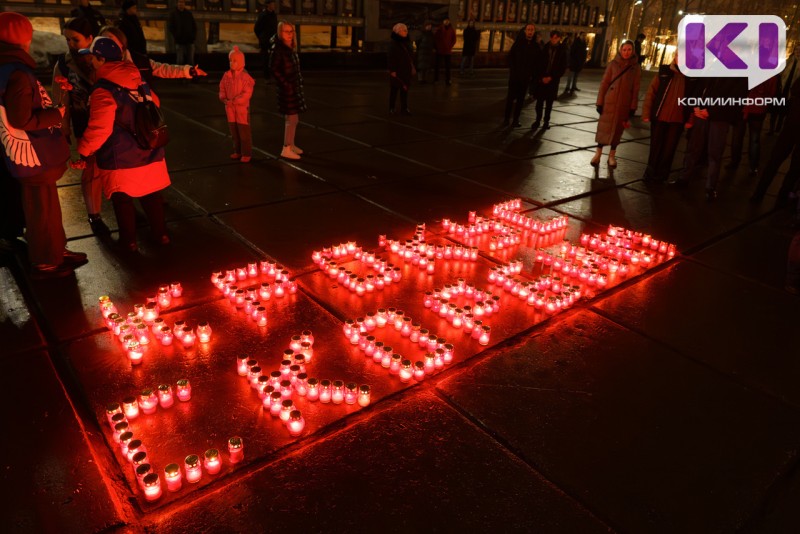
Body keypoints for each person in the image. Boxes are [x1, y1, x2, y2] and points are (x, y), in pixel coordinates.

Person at [0, 12, 86, 278]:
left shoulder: (9, 68)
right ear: (23, 38)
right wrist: (57, 114)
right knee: (40, 211)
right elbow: (22, 117)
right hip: (33, 155)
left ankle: (56, 249)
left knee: (47, 206)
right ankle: (45, 260)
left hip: (30, 157)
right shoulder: (17, 72)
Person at [76, 36, 171, 252]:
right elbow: (155, 102)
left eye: (92, 57)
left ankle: (129, 242)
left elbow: (100, 128)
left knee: (123, 200)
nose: (89, 61)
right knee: (151, 195)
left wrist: (84, 151)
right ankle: (161, 235)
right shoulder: (138, 79)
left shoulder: (103, 90)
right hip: (149, 149)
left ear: (101, 59)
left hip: (121, 156)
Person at [51, 17, 111, 236]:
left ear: (90, 38)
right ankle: (94, 214)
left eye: (75, 39)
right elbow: (60, 99)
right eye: (67, 39)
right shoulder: (64, 64)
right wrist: (63, 127)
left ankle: (128, 200)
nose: (70, 44)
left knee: (119, 165)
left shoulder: (108, 56)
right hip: (84, 123)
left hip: (114, 122)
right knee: (91, 170)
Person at [669, 76, 748, 200]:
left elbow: (735, 100)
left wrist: (711, 111)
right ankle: (684, 178)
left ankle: (710, 187)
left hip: (720, 119)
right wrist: (696, 106)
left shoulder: (740, 76)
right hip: (702, 114)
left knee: (714, 152)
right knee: (693, 147)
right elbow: (700, 89)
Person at [99, 26, 206, 88]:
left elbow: (162, 69)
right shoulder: (97, 62)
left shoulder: (138, 61)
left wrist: (188, 71)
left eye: (110, 38)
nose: (105, 42)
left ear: (121, 41)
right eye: (102, 39)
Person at [751, 76, 800, 205]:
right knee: (794, 166)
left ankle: (759, 193)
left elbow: (794, 89)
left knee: (775, 161)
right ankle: (782, 197)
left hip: (792, 123)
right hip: (793, 123)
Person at [592, 40, 641, 168]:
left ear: (633, 51)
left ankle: (612, 156)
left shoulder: (635, 67)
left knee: (618, 131)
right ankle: (597, 154)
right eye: (624, 49)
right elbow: (604, 83)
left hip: (624, 105)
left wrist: (633, 107)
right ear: (620, 50)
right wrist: (600, 102)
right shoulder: (613, 64)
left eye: (629, 49)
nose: (626, 52)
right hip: (609, 102)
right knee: (604, 128)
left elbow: (636, 89)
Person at [641, 54, 687, 182]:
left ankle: (662, 175)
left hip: (677, 120)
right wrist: (646, 113)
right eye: (679, 55)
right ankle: (650, 172)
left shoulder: (690, 77)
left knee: (669, 149)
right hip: (659, 116)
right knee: (655, 146)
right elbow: (651, 92)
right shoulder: (664, 72)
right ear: (675, 56)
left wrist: (690, 119)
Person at [727, 75, 778, 175]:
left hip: (743, 107)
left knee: (737, 136)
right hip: (758, 108)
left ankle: (734, 161)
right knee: (754, 138)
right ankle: (753, 165)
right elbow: (772, 92)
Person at [271, 21, 306, 160]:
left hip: (293, 87)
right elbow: (274, 69)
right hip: (287, 89)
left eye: (291, 31)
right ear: (280, 32)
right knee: (291, 119)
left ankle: (290, 144)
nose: (289, 34)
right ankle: (286, 148)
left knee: (294, 119)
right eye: (286, 31)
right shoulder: (278, 49)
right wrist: (286, 84)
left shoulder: (289, 47)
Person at [219, 46, 255, 162]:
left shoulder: (245, 77)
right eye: (230, 60)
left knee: (243, 131)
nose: (231, 63)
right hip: (230, 108)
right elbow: (222, 88)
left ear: (241, 62)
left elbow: (246, 94)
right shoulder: (227, 75)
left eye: (234, 61)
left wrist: (235, 101)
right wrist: (223, 98)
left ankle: (246, 153)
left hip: (241, 109)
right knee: (234, 131)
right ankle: (237, 151)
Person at [503, 24, 540, 128]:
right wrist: (514, 71)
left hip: (525, 79)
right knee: (510, 99)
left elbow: (536, 63)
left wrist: (532, 75)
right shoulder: (518, 44)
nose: (530, 31)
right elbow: (510, 58)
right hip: (515, 78)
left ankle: (515, 119)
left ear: (534, 32)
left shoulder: (536, 46)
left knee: (520, 100)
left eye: (532, 30)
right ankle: (506, 119)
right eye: (528, 29)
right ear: (525, 31)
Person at [531, 30, 567, 130]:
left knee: (549, 104)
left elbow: (562, 68)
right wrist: (542, 77)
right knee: (539, 102)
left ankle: (546, 122)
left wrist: (551, 77)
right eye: (552, 37)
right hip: (542, 79)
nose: (553, 39)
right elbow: (538, 64)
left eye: (556, 38)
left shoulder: (562, 51)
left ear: (559, 39)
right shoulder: (544, 48)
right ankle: (537, 120)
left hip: (553, 81)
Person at [388, 23, 414, 116]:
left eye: (406, 30)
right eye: (404, 30)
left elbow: (410, 54)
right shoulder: (393, 43)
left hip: (406, 69)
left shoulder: (407, 41)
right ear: (398, 32)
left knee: (405, 90)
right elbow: (391, 57)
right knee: (394, 90)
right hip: (397, 70)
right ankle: (391, 108)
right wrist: (393, 70)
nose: (406, 32)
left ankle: (404, 108)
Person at [254, 0, 278, 81]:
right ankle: (267, 77)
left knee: (274, 59)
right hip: (265, 41)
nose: (274, 6)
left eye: (274, 4)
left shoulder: (274, 15)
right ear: (268, 5)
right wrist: (261, 37)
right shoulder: (263, 15)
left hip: (273, 41)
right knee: (265, 59)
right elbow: (256, 28)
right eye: (272, 4)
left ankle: (273, 75)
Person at [168, 0, 197, 66]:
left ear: (184, 4)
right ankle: (179, 74)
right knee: (180, 60)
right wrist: (176, 35)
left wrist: (193, 36)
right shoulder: (174, 14)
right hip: (179, 41)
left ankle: (191, 74)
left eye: (182, 2)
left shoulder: (188, 14)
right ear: (177, 4)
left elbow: (194, 26)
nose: (181, 4)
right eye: (179, 2)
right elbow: (171, 27)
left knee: (191, 60)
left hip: (189, 40)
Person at [433, 18, 456, 85]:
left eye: (447, 20)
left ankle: (448, 80)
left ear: (449, 21)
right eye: (445, 20)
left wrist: (449, 47)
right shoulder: (439, 29)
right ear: (443, 21)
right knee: (437, 66)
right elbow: (435, 38)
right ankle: (436, 79)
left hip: (447, 51)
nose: (446, 22)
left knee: (448, 67)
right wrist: (437, 47)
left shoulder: (451, 29)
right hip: (439, 50)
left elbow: (454, 39)